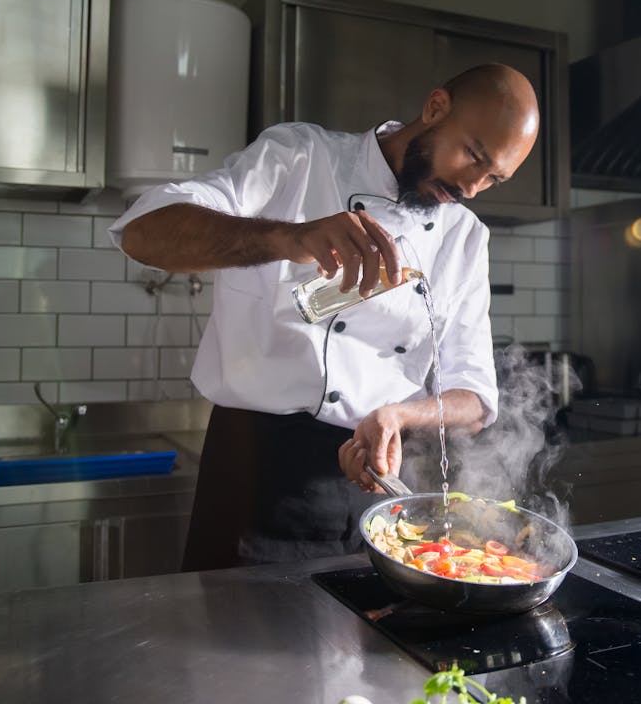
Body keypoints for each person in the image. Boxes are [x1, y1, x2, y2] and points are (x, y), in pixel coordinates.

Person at [109, 63, 540, 570]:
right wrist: (288, 238)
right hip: (253, 476)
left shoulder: (464, 238)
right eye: (473, 155)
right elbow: (142, 233)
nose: (472, 186)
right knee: (227, 644)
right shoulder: (300, 158)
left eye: (494, 177)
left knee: (361, 647)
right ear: (435, 107)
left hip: (374, 488)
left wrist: (401, 415)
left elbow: (474, 395)